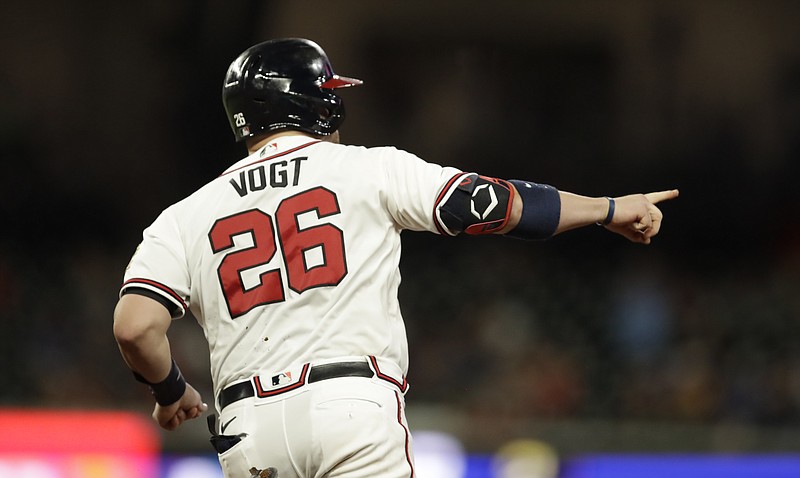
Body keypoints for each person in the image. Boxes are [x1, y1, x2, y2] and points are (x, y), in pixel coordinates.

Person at [112, 38, 678, 478]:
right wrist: (607, 208)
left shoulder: (184, 214)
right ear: (315, 103)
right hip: (350, 406)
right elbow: (499, 205)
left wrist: (170, 392)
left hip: (248, 429)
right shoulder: (370, 167)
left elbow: (135, 326)